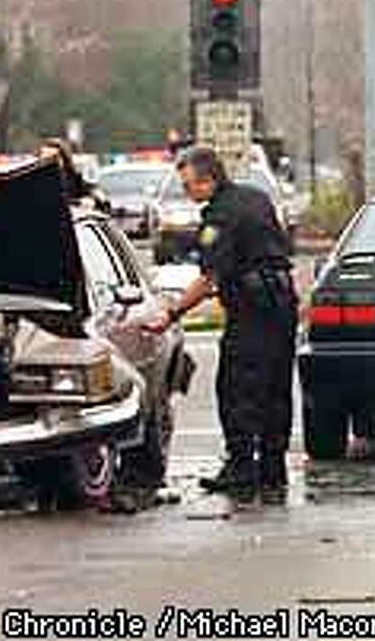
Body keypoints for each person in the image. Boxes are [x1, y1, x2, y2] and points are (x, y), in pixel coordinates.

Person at [143, 146, 297, 503]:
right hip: (282, 304)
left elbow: (209, 278)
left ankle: (241, 468)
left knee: (237, 388)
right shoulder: (257, 198)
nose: (187, 193)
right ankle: (273, 470)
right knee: (276, 388)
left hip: (252, 311)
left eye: (189, 185)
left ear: (209, 179)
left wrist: (171, 313)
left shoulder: (220, 215)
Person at [38, 137, 111, 213]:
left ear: (63, 159)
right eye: (46, 159)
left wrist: (94, 199)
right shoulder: (35, 181)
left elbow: (90, 190)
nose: (50, 162)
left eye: (54, 158)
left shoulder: (72, 177)